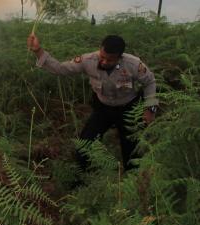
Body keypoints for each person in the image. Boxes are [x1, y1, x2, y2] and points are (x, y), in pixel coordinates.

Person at [27, 33, 158, 171]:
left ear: (120, 57)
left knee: (132, 149)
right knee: (84, 144)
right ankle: (82, 177)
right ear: (100, 50)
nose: (104, 62)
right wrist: (38, 51)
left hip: (129, 109)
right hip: (102, 108)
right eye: (102, 57)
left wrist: (150, 109)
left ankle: (133, 181)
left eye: (110, 60)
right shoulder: (88, 60)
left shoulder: (133, 64)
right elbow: (61, 69)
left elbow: (150, 81)